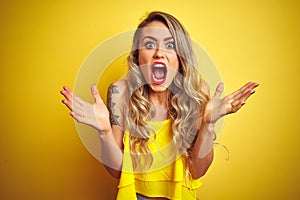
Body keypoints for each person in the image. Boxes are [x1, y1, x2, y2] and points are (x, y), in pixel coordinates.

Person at [60, 11, 259, 200]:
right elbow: (116, 172)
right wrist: (104, 132)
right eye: (149, 44)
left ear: (180, 58)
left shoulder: (197, 91)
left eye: (170, 45)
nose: (159, 54)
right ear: (138, 56)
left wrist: (207, 123)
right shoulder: (120, 92)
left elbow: (198, 171)